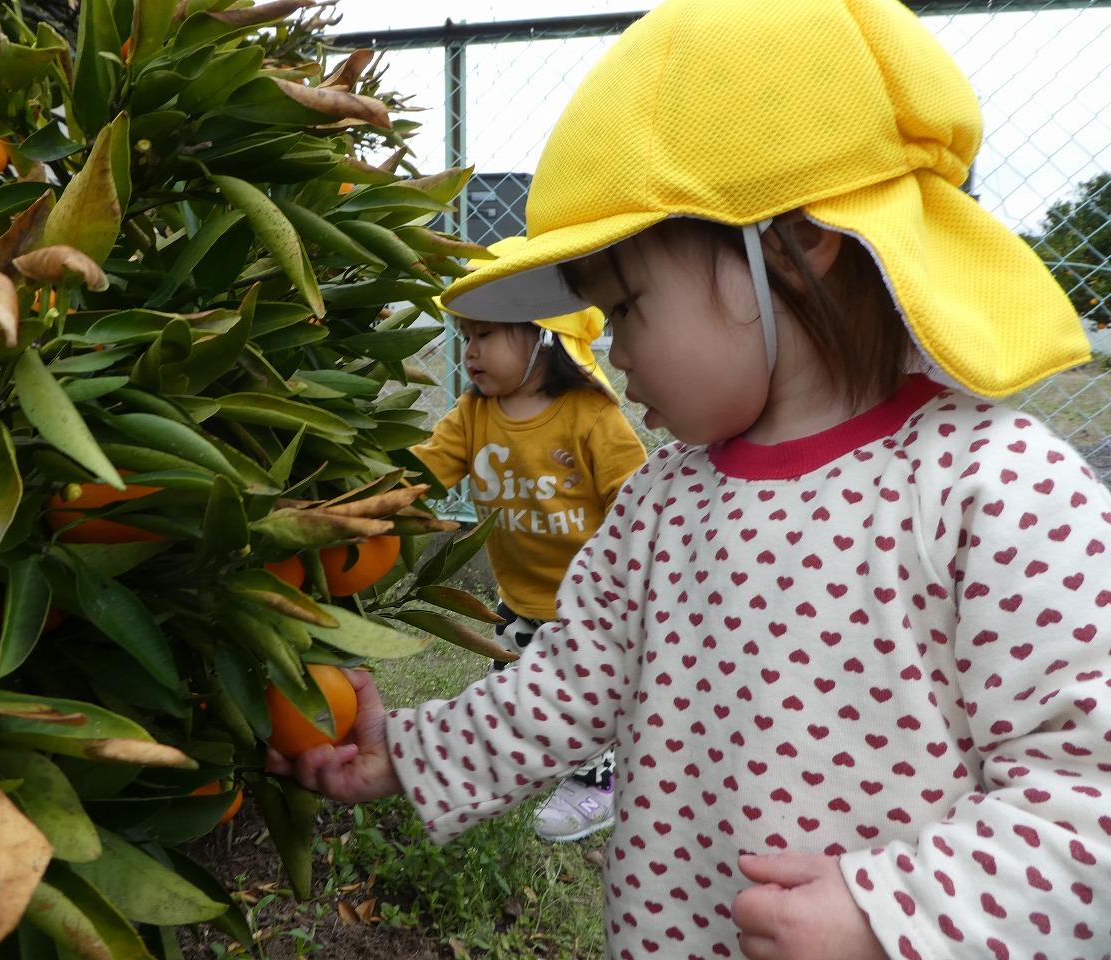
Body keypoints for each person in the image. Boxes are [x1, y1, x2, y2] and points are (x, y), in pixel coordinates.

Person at [269, 0, 1111, 957]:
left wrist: (894, 915)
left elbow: (1089, 796)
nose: (613, 349)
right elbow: (565, 686)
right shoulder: (662, 503)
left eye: (627, 306)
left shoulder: (995, 492)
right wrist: (411, 754)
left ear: (793, 241)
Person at [410, 236, 647, 842]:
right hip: (519, 596)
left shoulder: (591, 417)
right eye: (465, 336)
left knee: (589, 695)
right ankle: (532, 760)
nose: (469, 352)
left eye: (484, 335)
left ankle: (598, 784)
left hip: (591, 602)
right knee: (520, 686)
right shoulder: (473, 414)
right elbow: (424, 471)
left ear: (543, 334)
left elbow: (636, 504)